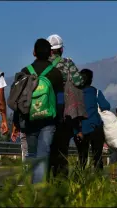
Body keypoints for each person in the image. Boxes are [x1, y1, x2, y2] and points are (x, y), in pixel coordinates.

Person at [14, 38, 63, 184]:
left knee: (32, 153)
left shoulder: (25, 71)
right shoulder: (55, 73)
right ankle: (38, 188)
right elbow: (60, 100)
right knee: (44, 153)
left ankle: (31, 186)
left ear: (34, 52)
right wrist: (59, 119)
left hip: (29, 119)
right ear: (50, 53)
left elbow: (19, 99)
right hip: (48, 121)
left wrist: (17, 122)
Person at [46, 34, 85, 179]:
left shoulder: (42, 65)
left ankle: (44, 178)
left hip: (44, 109)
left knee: (47, 146)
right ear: (61, 49)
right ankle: (61, 179)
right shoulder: (68, 63)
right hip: (62, 109)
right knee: (62, 147)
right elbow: (79, 81)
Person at [75, 69, 110, 170]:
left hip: (80, 128)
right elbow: (106, 106)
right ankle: (98, 181)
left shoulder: (76, 93)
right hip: (95, 127)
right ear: (91, 79)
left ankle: (79, 181)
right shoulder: (96, 92)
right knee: (97, 157)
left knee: (82, 157)